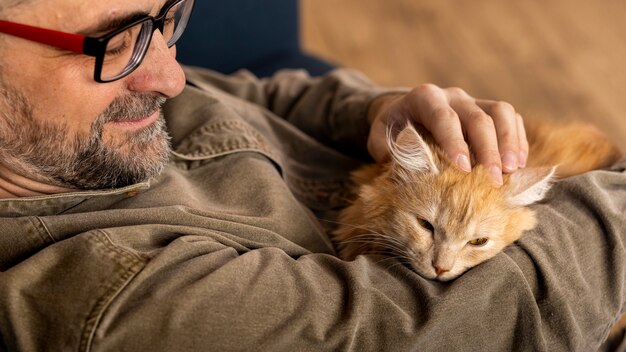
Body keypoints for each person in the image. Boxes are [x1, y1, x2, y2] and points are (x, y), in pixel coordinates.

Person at [0, 0, 623, 351]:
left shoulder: (71, 131)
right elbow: (472, 318)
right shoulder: (119, 295)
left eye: (165, 19)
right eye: (115, 42)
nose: (172, 77)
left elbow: (251, 92)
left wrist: (377, 112)